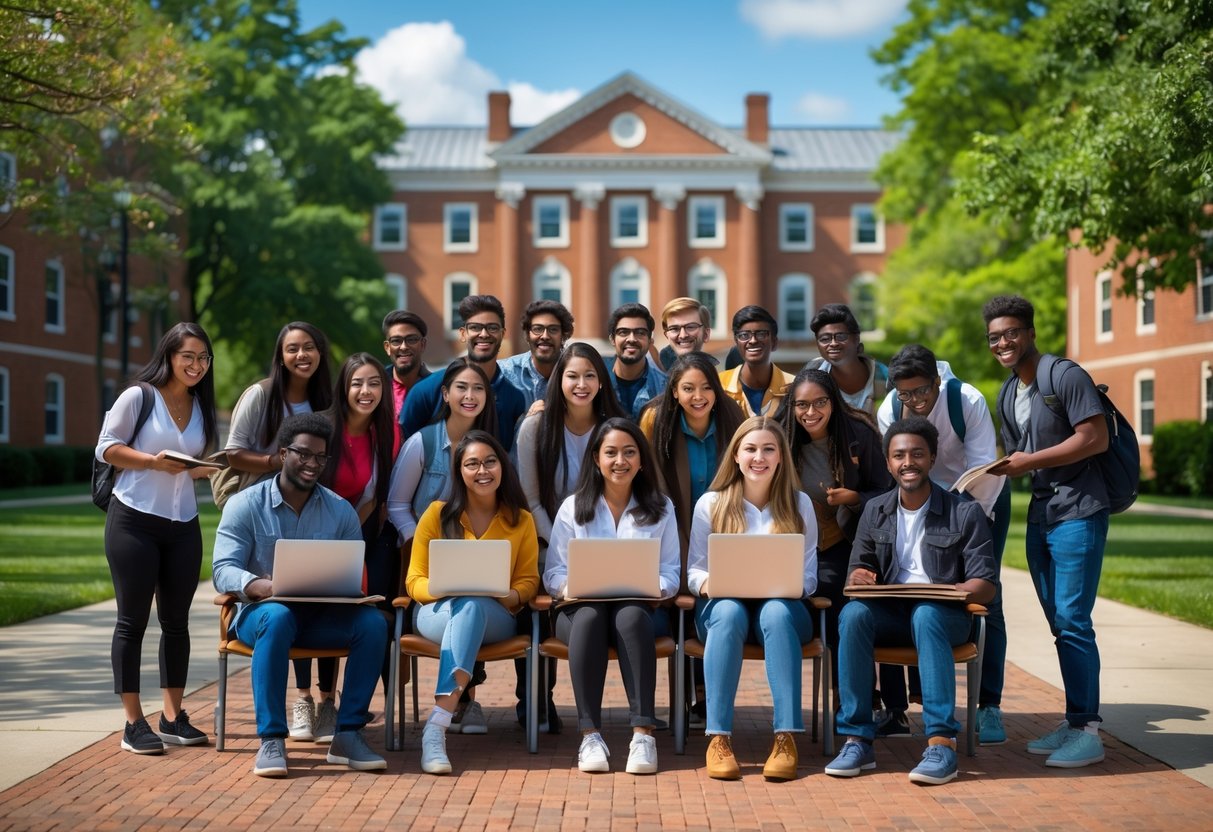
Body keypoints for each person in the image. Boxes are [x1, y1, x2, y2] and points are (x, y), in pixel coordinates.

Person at [212, 413, 389, 777]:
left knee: (372, 623)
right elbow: (222, 570)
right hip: (261, 615)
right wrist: (264, 586)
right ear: (282, 453)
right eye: (303, 454)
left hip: (320, 616)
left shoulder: (340, 511)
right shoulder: (245, 504)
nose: (312, 464)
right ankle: (272, 740)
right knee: (278, 617)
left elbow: (351, 568)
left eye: (320, 458)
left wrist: (349, 591)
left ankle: (348, 735)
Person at [825, 416, 996, 786]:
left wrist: (958, 590)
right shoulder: (875, 510)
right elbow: (858, 568)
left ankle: (941, 744)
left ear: (932, 457)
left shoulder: (964, 512)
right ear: (888, 462)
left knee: (927, 613)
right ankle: (857, 739)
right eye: (899, 455)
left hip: (944, 618)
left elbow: (987, 585)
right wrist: (859, 577)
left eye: (917, 454)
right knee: (853, 614)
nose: (908, 462)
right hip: (892, 616)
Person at [983, 294, 1111, 769]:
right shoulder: (1007, 392)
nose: (1003, 342)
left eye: (1012, 332)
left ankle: (1088, 731)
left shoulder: (1065, 375)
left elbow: (1093, 436)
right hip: (1041, 516)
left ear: (1031, 333)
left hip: (1078, 511)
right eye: (995, 336)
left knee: (1074, 620)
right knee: (1060, 624)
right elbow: (1021, 455)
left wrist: (1028, 462)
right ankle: (1075, 718)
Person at [876, 344, 1011, 743]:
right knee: (911, 586)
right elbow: (897, 467)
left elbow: (983, 465)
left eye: (921, 392)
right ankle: (903, 704)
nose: (914, 402)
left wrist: (958, 521)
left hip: (979, 501)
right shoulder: (891, 408)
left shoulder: (965, 399)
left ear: (937, 381)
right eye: (905, 394)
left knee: (987, 598)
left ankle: (989, 707)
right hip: (922, 502)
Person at [95, 322, 219, 754]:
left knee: (177, 623)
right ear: (168, 355)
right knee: (132, 622)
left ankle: (172, 717)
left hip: (183, 522)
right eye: (188, 356)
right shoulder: (139, 396)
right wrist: (151, 462)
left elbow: (191, 463)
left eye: (204, 358)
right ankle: (133, 723)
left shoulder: (201, 406)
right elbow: (105, 448)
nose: (197, 365)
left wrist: (206, 467)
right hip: (133, 519)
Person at [544, 418, 681, 774]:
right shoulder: (573, 508)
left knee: (630, 615)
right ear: (596, 459)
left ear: (641, 461)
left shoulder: (661, 508)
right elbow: (553, 573)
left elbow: (671, 573)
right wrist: (569, 587)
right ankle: (590, 736)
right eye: (611, 453)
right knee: (590, 616)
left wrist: (651, 586)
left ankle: (642, 735)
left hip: (640, 609)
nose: (620, 461)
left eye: (629, 452)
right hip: (579, 610)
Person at [224, 320, 339, 742]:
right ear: (281, 354)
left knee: (322, 598)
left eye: (309, 347)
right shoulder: (261, 396)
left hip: (316, 509)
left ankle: (327, 701)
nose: (302, 356)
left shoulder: (326, 400)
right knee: (282, 604)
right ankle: (301, 700)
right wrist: (282, 462)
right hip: (266, 514)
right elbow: (233, 453)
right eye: (293, 349)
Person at [687, 417, 819, 781]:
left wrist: (780, 584)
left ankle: (785, 737)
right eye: (750, 448)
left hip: (783, 609)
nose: (758, 457)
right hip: (723, 606)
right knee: (728, 612)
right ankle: (718, 738)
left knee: (776, 613)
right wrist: (713, 584)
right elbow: (695, 571)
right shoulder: (710, 504)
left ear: (780, 458)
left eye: (768, 449)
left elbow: (809, 575)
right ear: (736, 455)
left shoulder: (799, 503)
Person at [407, 431, 539, 775]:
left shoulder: (521, 519)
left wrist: (508, 594)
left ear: (502, 467)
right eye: (472, 464)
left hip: (497, 614)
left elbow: (529, 580)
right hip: (437, 611)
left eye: (490, 461)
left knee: (472, 606)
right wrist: (447, 585)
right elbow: (414, 580)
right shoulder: (436, 515)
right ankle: (440, 723)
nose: (483, 470)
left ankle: (436, 728)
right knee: (465, 604)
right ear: (459, 471)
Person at [517, 342, 627, 730]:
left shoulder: (614, 428)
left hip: (607, 547)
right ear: (558, 380)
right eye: (572, 376)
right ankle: (535, 701)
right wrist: (561, 543)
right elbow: (530, 499)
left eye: (590, 376)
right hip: (549, 543)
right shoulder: (535, 427)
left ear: (601, 382)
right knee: (536, 601)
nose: (581, 384)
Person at [387, 359, 498, 733]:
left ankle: (458, 703)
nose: (470, 396)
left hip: (480, 567)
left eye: (478, 388)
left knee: (474, 605)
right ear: (446, 394)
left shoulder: (491, 449)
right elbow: (397, 504)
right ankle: (459, 704)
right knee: (458, 609)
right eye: (462, 388)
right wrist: (421, 540)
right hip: (429, 567)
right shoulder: (424, 442)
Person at [639, 352, 745, 727]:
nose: (697, 396)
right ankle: (681, 700)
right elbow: (649, 481)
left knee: (711, 603)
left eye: (705, 387)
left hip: (725, 531)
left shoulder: (734, 418)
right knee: (678, 604)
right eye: (687, 388)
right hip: (672, 524)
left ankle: (705, 699)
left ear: (716, 390)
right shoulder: (655, 419)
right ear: (674, 392)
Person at [773, 367, 892, 680]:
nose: (811, 412)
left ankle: (852, 696)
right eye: (802, 405)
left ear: (833, 402)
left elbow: (887, 495)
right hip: (788, 544)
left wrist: (854, 497)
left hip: (844, 540)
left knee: (843, 595)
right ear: (792, 406)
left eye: (820, 403)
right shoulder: (778, 433)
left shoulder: (858, 434)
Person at [319, 353, 399, 699]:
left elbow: (378, 496)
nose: (366, 391)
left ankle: (361, 702)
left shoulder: (389, 430)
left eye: (374, 383)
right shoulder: (324, 429)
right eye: (357, 383)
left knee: (375, 617)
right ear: (344, 388)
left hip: (368, 534)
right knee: (321, 614)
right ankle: (319, 699)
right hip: (319, 538)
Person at [398, 295, 527, 451]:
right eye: (475, 327)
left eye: (492, 328)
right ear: (463, 333)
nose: (484, 334)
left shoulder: (514, 398)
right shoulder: (426, 391)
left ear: (502, 333)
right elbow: (404, 450)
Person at [809, 303, 889, 417]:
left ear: (857, 339)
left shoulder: (885, 377)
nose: (833, 343)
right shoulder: (811, 377)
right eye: (825, 339)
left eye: (841, 336)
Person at [718, 306, 795, 418]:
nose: (753, 340)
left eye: (761, 334)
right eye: (744, 335)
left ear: (774, 342)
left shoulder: (793, 386)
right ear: (736, 342)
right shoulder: (718, 385)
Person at [497, 300, 574, 410]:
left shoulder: (575, 372)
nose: (545, 336)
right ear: (527, 335)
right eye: (538, 329)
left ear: (563, 335)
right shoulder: (504, 372)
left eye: (553, 329)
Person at [605, 303, 668, 421]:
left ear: (650, 340)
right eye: (623, 332)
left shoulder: (665, 388)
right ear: (612, 339)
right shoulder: (598, 383)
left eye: (640, 333)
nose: (632, 339)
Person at [381, 310, 431, 446]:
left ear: (423, 344)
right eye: (396, 341)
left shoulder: (436, 389)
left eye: (412, 340)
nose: (403, 347)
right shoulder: (376, 387)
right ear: (387, 347)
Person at [657, 297, 714, 371]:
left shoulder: (721, 376)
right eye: (674, 329)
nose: (683, 335)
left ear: (706, 334)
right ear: (667, 335)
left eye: (691, 327)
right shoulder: (651, 375)